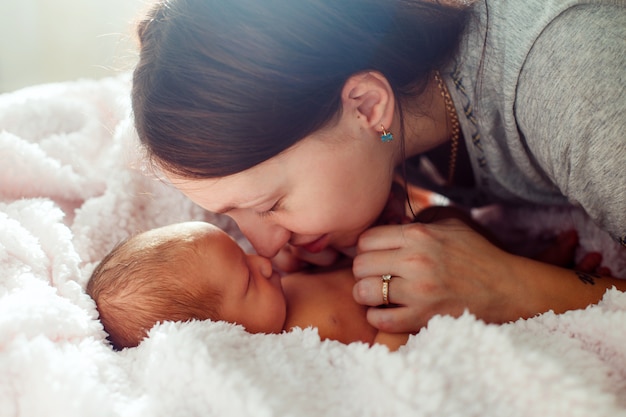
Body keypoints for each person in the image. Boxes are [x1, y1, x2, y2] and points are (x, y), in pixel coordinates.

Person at [130, 0, 626, 334]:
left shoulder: (576, 83)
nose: (265, 247)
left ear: (367, 106)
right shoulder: (387, 131)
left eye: (273, 205)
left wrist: (514, 288)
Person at [86, 221, 410, 351]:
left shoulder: (280, 295)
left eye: (245, 255)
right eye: (248, 280)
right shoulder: (293, 347)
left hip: (403, 263)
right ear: (222, 331)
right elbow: (374, 370)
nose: (263, 262)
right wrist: (397, 329)